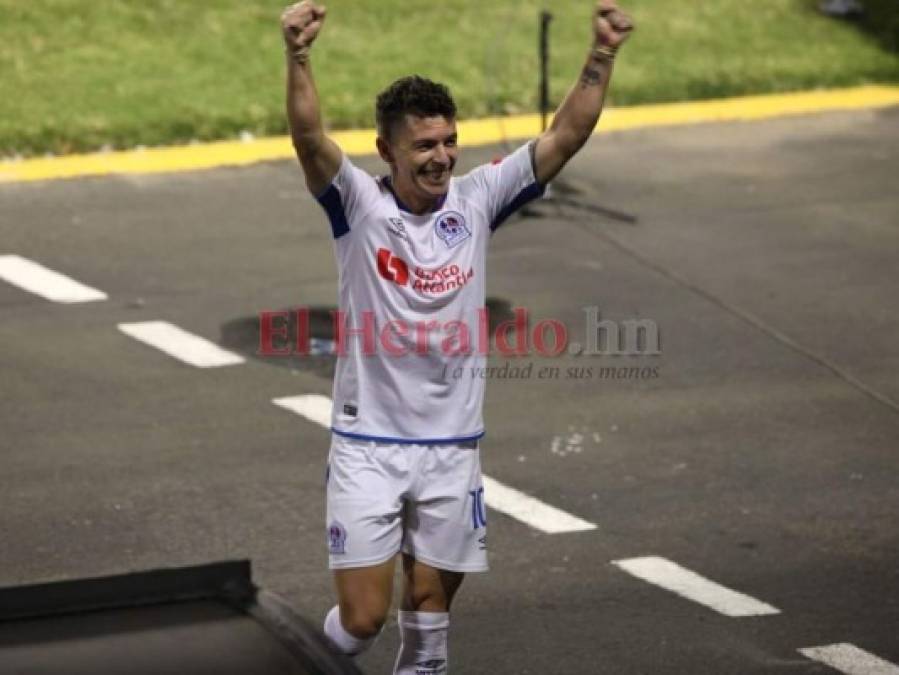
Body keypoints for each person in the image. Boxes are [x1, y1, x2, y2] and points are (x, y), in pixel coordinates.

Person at [280, 2, 633, 673]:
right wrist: (297, 55)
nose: (442, 157)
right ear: (386, 150)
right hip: (368, 446)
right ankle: (288, 658)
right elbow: (307, 138)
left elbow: (564, 136)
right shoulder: (357, 205)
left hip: (450, 448)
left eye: (448, 141)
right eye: (424, 145)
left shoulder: (477, 199)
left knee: (429, 624)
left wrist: (602, 53)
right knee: (359, 622)